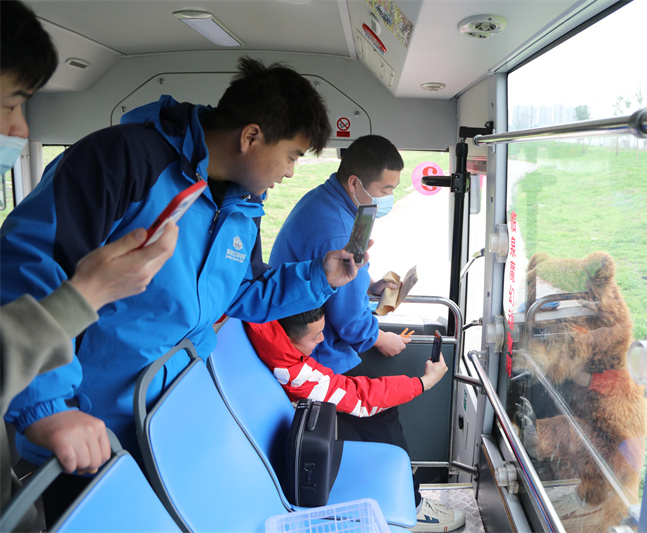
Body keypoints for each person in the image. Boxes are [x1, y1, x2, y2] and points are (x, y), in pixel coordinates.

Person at [0, 49, 367, 507]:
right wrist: (46, 408)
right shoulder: (123, 160)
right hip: (88, 432)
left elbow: (242, 294)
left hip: (171, 419)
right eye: (290, 155)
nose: (291, 171)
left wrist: (321, 276)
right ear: (251, 137)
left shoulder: (241, 208)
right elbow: (27, 270)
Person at [0, 0, 178, 526]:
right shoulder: (118, 162)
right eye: (11, 103)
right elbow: (25, 268)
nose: (19, 129)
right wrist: (86, 297)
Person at [268, 134, 466, 532]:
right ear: (356, 183)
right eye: (386, 189)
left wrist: (370, 286)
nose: (389, 196)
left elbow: (347, 278)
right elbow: (348, 321)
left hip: (317, 341)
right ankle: (411, 508)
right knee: (379, 415)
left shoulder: (333, 204)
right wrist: (380, 338)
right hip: (317, 351)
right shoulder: (335, 227)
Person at [246, 308, 448, 415]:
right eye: (315, 337)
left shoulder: (258, 312)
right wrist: (423, 382)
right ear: (290, 339)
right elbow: (359, 397)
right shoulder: (297, 375)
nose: (322, 340)